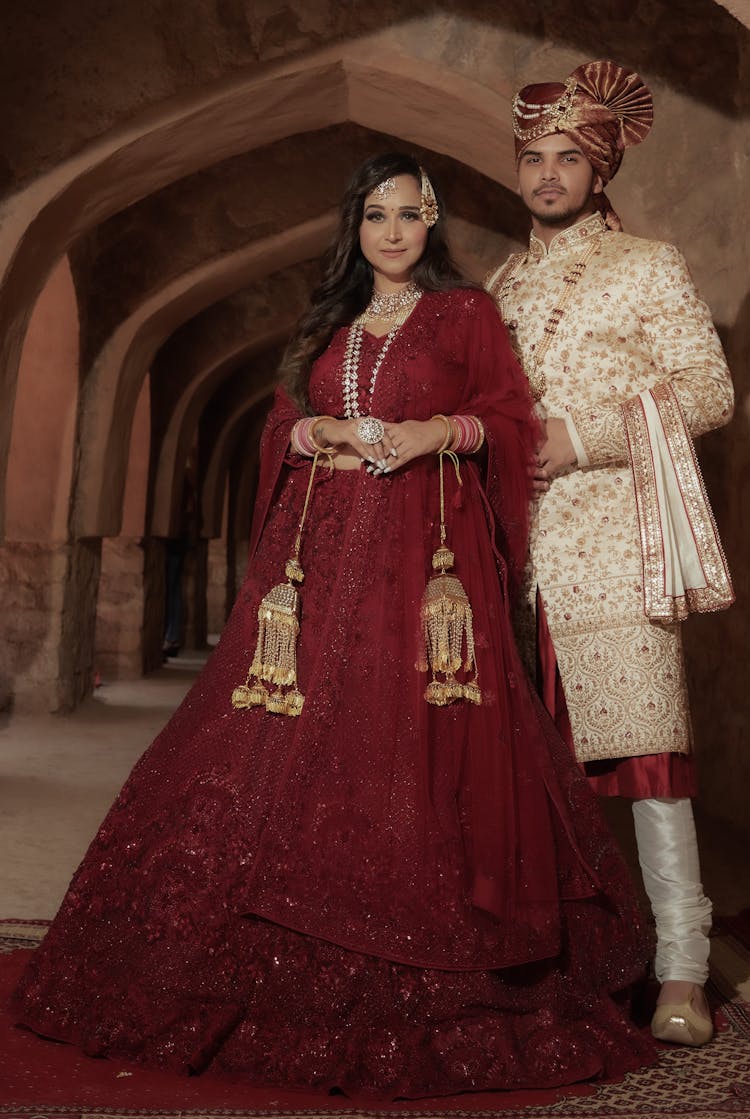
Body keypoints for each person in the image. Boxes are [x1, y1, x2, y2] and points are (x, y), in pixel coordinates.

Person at [13, 153, 655, 1099]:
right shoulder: (333, 323)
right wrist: (321, 434)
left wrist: (440, 433)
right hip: (314, 565)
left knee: (404, 748)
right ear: (353, 227)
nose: (393, 233)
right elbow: (286, 418)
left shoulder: (464, 315)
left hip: (418, 562)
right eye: (375, 216)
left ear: (432, 225)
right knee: (273, 747)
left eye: (410, 216)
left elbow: (510, 423)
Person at [486, 61, 734, 1049]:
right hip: (519, 560)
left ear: (600, 169)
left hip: (616, 548)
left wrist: (578, 437)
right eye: (535, 158)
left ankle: (683, 968)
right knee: (527, 769)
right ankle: (566, 959)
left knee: (647, 767)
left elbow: (708, 393)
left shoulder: (651, 266)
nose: (549, 175)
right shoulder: (500, 285)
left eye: (568, 159)